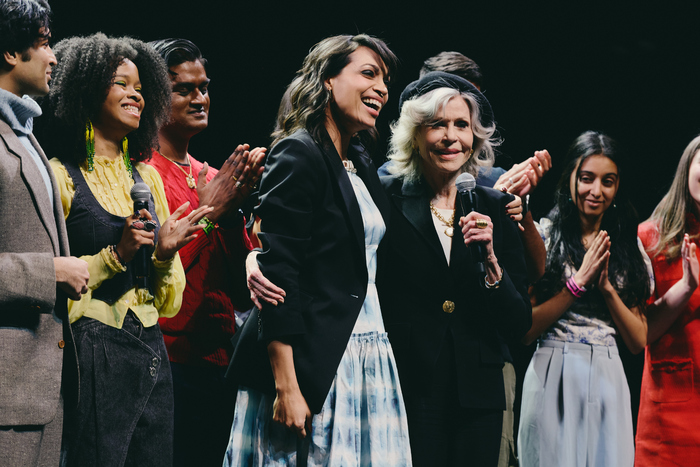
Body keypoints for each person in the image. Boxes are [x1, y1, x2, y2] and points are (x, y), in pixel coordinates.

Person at [224, 34, 412, 466]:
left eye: (385, 80)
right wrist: (286, 386)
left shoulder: (360, 162)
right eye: (368, 73)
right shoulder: (299, 151)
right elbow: (280, 277)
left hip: (364, 347)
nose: (382, 88)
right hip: (313, 358)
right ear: (327, 79)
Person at [39, 33, 211, 467]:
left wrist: (164, 254)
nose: (135, 93)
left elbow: (168, 302)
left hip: (152, 344)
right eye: (121, 83)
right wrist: (116, 254)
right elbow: (49, 276)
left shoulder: (147, 181)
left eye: (140, 87)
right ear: (87, 89)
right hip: (95, 349)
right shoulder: (60, 177)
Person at [376, 71, 532, 466]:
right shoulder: (387, 199)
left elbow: (519, 322)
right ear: (414, 134)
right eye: (436, 125)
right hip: (410, 381)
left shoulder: (496, 205)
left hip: (478, 388)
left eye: (461, 125)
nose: (451, 137)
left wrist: (493, 265)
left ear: (475, 136)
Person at [147, 38, 264, 467]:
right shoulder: (139, 174)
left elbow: (240, 290)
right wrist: (211, 211)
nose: (200, 98)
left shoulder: (214, 176)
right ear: (155, 97)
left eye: (204, 87)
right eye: (184, 89)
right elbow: (161, 271)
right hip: (167, 360)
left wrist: (232, 217)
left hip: (220, 360)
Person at [518, 131, 651, 466]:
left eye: (608, 181)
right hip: (553, 363)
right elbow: (526, 330)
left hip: (607, 368)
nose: (596, 191)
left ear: (618, 187)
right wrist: (577, 284)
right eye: (587, 178)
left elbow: (637, 341)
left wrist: (605, 288)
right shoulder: (546, 236)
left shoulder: (627, 247)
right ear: (571, 179)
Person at [0, 1, 89, 465]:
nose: (54, 56)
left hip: (38, 392)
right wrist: (48, 271)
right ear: (12, 52)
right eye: (44, 42)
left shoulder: (23, 132)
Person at [635, 135, 700, 466]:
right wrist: (686, 287)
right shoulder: (651, 238)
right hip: (670, 416)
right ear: (688, 166)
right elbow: (640, 333)